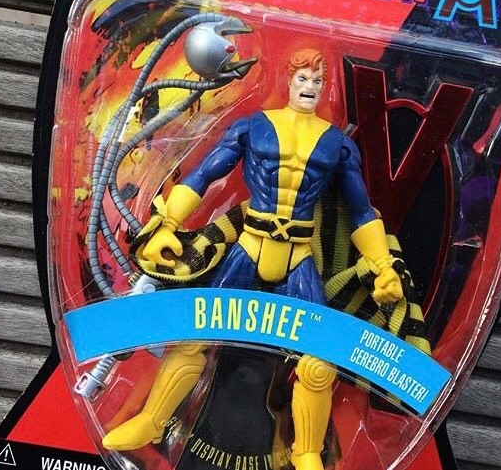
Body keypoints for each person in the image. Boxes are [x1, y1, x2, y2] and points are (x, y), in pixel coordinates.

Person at [102, 49, 404, 470]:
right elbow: (205, 174)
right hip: (250, 244)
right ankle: (152, 422)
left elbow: (361, 211)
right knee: (194, 335)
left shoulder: (337, 145)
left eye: (317, 80)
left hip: (298, 255)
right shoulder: (254, 127)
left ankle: (306, 452)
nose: (309, 87)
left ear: (325, 86)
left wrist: (384, 267)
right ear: (289, 80)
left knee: (319, 360)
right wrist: (167, 222)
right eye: (303, 78)